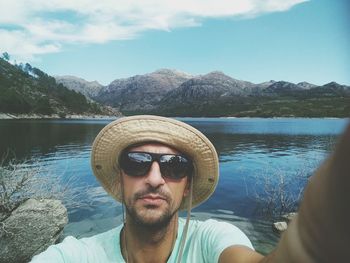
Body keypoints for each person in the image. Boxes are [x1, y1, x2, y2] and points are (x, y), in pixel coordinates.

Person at [31, 115, 350, 263]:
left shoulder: (213, 241)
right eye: (137, 162)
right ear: (120, 178)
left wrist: (313, 234)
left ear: (187, 186)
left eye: (174, 166)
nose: (155, 178)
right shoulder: (75, 255)